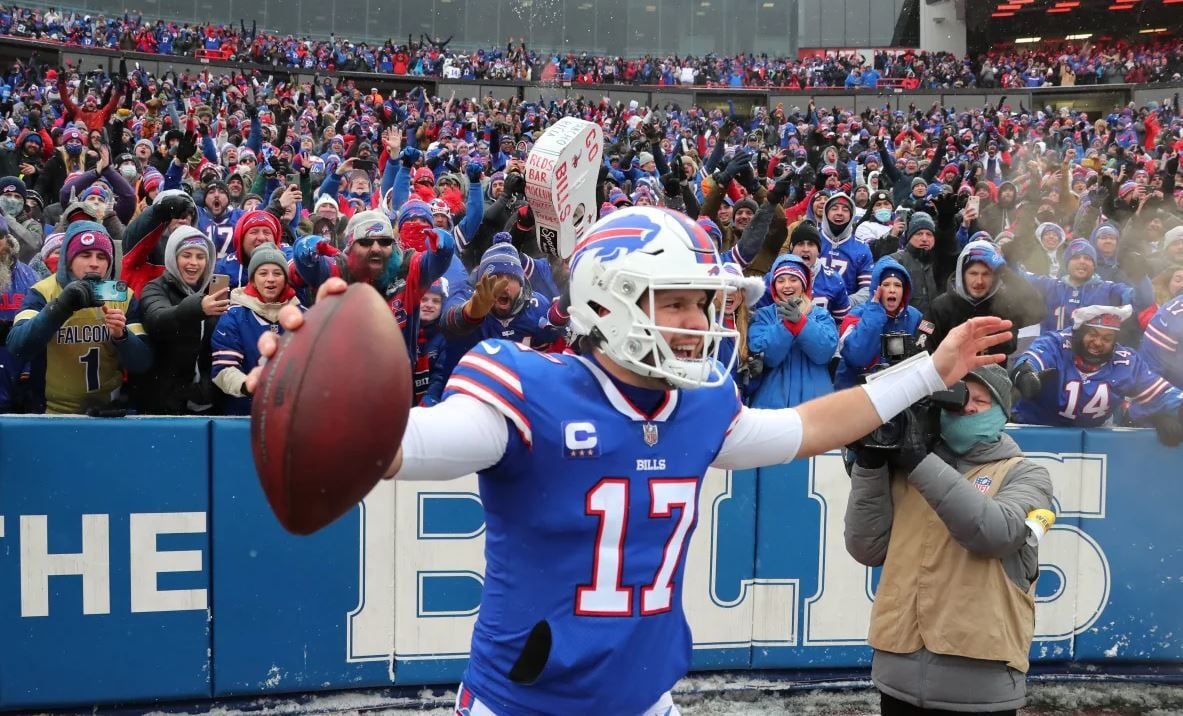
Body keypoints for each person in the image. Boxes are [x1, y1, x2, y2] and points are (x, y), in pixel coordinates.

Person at [243, 205, 1014, 716]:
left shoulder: (701, 405)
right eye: (673, 301)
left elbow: (810, 426)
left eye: (703, 303)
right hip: (526, 706)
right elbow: (396, 446)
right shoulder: (525, 390)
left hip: (647, 697)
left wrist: (928, 371)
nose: (695, 322)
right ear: (608, 301)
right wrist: (312, 396)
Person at [845, 365, 1054, 716]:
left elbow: (995, 533)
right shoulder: (908, 467)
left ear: (1002, 413)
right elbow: (867, 548)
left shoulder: (1025, 473)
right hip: (898, 676)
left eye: (981, 401)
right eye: (958, 399)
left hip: (981, 684)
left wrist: (919, 461)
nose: (968, 407)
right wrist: (869, 463)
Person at [6, 221, 152, 414]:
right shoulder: (42, 292)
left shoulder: (121, 295)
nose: (94, 263)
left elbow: (142, 363)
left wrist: (122, 336)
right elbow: (17, 346)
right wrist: (61, 307)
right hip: (51, 412)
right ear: (68, 259)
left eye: (101, 256)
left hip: (105, 412)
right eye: (85, 255)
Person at [1010, 305, 1183, 443]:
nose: (1098, 343)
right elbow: (1030, 361)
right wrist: (1026, 375)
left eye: (1107, 338)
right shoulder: (1055, 344)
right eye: (1092, 334)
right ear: (1078, 333)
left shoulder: (1126, 362)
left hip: (1092, 441)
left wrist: (1168, 413)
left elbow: (1162, 394)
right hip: (1033, 430)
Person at [134, 226, 227, 414]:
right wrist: (198, 307)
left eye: (200, 257)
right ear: (173, 258)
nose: (193, 263)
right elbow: (157, 320)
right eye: (187, 255)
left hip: (201, 403)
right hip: (161, 403)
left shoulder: (214, 292)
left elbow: (220, 349)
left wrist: (206, 390)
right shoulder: (155, 288)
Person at [211, 244, 303, 415]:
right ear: (252, 279)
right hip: (244, 416)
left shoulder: (302, 315)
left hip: (292, 417)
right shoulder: (233, 317)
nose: (270, 279)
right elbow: (223, 370)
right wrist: (248, 385)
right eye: (263, 273)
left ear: (285, 278)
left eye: (277, 273)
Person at [919, 240, 1047, 358]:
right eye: (973, 273)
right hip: (951, 380)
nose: (979, 281)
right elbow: (922, 341)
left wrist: (1004, 271)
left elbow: (1037, 311)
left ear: (995, 277)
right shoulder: (939, 307)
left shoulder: (1005, 306)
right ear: (962, 275)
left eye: (986, 274)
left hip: (995, 380)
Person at [747, 253, 838, 409]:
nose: (787, 286)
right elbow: (765, 356)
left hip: (816, 404)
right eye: (781, 281)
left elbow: (825, 353)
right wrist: (786, 325)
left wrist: (801, 323)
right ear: (774, 287)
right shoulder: (763, 315)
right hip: (772, 405)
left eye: (794, 280)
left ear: (803, 284)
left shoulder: (821, 315)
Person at [835, 256, 922, 390]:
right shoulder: (855, 315)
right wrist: (875, 313)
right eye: (886, 285)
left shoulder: (914, 316)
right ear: (875, 288)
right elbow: (857, 357)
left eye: (898, 285)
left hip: (897, 393)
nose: (892, 290)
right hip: (856, 393)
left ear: (905, 291)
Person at [0, 218, 39, 412]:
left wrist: (29, 367)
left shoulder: (29, 276)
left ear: (6, 239)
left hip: (19, 373)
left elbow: (39, 326)